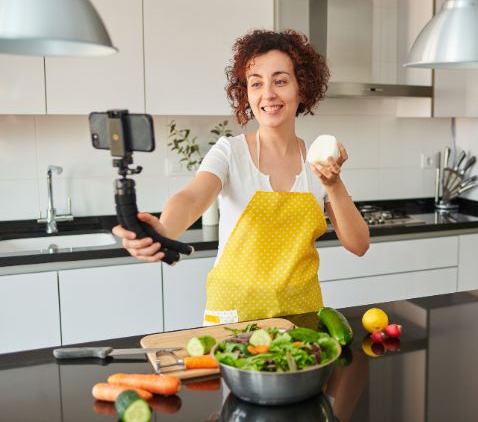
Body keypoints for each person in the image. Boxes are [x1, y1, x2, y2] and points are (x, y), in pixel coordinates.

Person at [112, 29, 370, 325]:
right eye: (256, 83)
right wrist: (164, 229)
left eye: (280, 81)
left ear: (302, 88)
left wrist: (334, 186)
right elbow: (192, 196)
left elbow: (359, 245)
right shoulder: (229, 153)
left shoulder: (318, 163)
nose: (268, 94)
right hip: (235, 318)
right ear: (246, 93)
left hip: (302, 316)